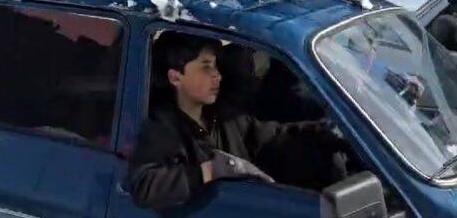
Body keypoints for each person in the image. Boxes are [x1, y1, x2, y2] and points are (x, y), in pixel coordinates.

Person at [126, 33, 351, 211]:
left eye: (216, 66)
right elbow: (144, 186)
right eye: (206, 67)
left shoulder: (225, 116)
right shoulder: (163, 128)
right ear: (175, 77)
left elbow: (273, 135)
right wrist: (210, 171)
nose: (217, 75)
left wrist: (324, 131)